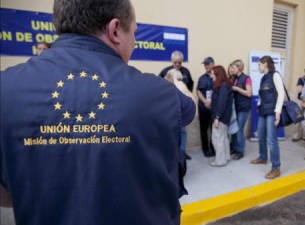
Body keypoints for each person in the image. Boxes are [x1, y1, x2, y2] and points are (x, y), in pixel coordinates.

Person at [0, 1, 196, 225]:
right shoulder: (157, 92)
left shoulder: (5, 88)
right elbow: (190, 109)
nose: (134, 42)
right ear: (114, 30)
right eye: (133, 33)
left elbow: (5, 196)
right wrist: (180, 87)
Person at [250, 56, 284, 179]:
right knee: (261, 135)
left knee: (271, 139)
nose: (258, 67)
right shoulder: (264, 78)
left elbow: (281, 94)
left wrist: (278, 112)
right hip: (263, 112)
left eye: (259, 64)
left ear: (265, 64)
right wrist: (259, 105)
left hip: (272, 112)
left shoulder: (275, 75)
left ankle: (276, 167)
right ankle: (263, 157)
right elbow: (263, 95)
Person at [165, 69, 197, 161]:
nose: (179, 82)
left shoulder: (180, 86)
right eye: (177, 79)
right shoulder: (164, 86)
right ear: (170, 77)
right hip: (170, 119)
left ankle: (182, 153)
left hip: (180, 116)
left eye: (180, 79)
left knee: (183, 133)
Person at [209, 66, 233, 167]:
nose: (211, 76)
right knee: (223, 138)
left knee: (217, 138)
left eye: (212, 74)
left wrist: (217, 117)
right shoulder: (225, 85)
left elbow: (222, 103)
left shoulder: (223, 86)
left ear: (217, 74)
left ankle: (220, 161)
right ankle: (226, 157)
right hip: (224, 116)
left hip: (220, 117)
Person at [231, 59, 252, 160]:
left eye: (233, 67)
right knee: (234, 129)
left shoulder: (246, 78)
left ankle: (240, 151)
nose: (231, 69)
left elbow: (249, 93)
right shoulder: (234, 78)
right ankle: (234, 148)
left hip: (243, 108)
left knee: (239, 130)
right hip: (236, 107)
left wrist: (237, 89)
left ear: (239, 68)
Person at [196, 57, 215, 157]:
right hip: (204, 107)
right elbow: (198, 91)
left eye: (208, 64)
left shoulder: (217, 76)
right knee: (204, 130)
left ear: (213, 64)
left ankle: (213, 148)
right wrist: (205, 101)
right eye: (205, 64)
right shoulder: (202, 78)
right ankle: (205, 149)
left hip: (214, 108)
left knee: (214, 130)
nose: (206, 66)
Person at [292, 66, 305, 143]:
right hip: (302, 101)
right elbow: (300, 89)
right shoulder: (301, 79)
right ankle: (297, 135)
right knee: (299, 117)